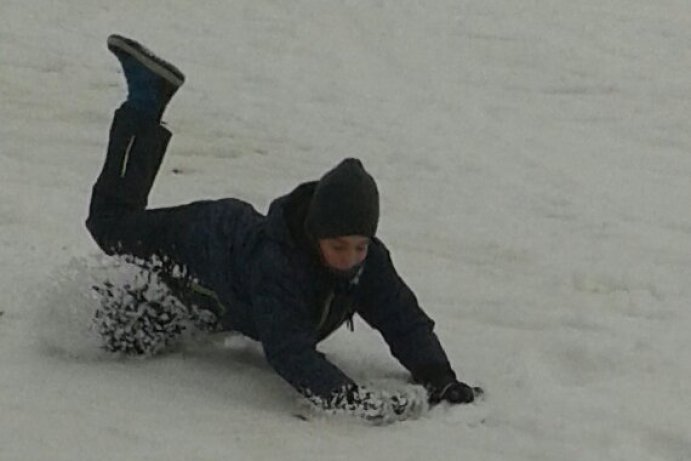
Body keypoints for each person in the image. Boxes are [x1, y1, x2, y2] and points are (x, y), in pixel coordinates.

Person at [86, 34, 482, 422]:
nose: (349, 259)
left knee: (138, 336)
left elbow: (403, 318)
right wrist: (352, 400)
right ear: (315, 234)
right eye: (338, 246)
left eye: (359, 246)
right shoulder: (279, 266)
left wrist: (439, 377)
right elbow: (290, 351)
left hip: (222, 302)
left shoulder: (369, 263)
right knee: (111, 227)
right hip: (203, 239)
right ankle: (146, 98)